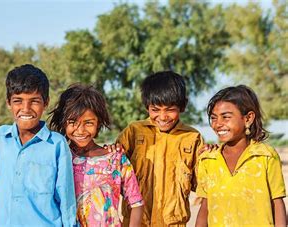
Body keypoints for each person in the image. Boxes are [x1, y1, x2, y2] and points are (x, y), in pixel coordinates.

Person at [0, 64, 76, 226]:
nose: (26, 109)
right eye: (18, 101)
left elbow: (66, 199)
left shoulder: (56, 144)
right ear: (8, 103)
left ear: (46, 103)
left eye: (34, 101)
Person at [116, 71, 204, 226]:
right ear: (147, 107)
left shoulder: (192, 138)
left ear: (182, 106)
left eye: (170, 109)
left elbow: (205, 185)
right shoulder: (133, 132)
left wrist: (213, 156)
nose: (163, 117)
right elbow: (112, 170)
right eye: (155, 109)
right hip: (135, 222)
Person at [48, 84, 143, 227]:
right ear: (63, 122)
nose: (80, 130)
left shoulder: (115, 159)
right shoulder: (59, 158)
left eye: (88, 123)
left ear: (98, 123)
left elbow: (136, 203)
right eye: (73, 122)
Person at [195, 85, 286, 226]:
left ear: (248, 118)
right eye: (213, 118)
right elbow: (206, 206)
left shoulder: (265, 156)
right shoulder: (208, 159)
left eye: (226, 117)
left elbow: (277, 202)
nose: (218, 124)